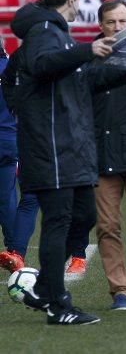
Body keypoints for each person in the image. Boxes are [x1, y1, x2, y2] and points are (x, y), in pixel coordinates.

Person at [11, 0, 126, 325]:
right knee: (60, 220)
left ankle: (46, 290)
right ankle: (57, 304)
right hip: (52, 147)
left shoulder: (57, 34)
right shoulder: (45, 32)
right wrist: (86, 50)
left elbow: (82, 78)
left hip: (68, 148)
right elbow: (41, 66)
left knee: (84, 216)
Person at [90, 0, 126, 312]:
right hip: (100, 153)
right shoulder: (87, 57)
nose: (118, 27)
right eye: (111, 22)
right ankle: (120, 289)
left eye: (123, 21)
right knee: (107, 226)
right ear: (101, 25)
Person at [0, 50, 38, 273]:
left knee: (6, 197)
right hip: (13, 138)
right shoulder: (13, 69)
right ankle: (15, 251)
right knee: (20, 197)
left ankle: (14, 250)